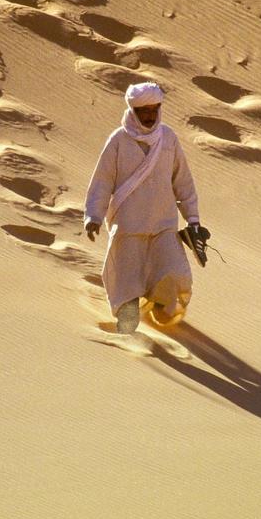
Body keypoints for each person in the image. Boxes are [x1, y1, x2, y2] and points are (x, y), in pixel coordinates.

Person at [84, 82, 209, 334]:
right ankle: (128, 328)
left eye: (155, 109)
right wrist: (93, 216)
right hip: (128, 225)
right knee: (127, 284)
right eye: (145, 111)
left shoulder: (168, 138)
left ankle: (159, 310)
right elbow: (102, 180)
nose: (150, 115)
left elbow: (182, 181)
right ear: (133, 111)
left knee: (174, 272)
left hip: (163, 224)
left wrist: (192, 218)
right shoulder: (118, 140)